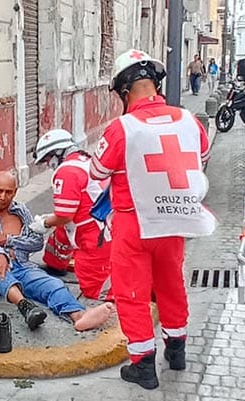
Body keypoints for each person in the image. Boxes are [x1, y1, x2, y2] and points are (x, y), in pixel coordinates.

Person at [90, 49, 215, 390]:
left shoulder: (122, 127)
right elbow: (201, 157)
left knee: (132, 293)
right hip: (175, 220)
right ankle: (177, 350)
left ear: (123, 92)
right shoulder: (189, 120)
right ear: (155, 85)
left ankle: (143, 365)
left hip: (134, 222)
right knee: (171, 284)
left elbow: (98, 171)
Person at [0, 171, 114, 331]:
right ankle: (25, 306)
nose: (3, 197)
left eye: (8, 192)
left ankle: (78, 316)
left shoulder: (20, 210)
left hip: (22, 267)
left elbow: (36, 242)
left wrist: (8, 240)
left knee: (53, 284)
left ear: (15, 192)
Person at [29, 129, 112, 300]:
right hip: (105, 226)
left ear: (56, 153)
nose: (48, 165)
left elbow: (64, 216)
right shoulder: (86, 161)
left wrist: (44, 223)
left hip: (94, 237)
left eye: (47, 160)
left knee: (92, 289)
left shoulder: (66, 172)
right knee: (60, 235)